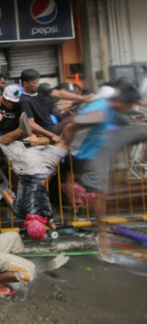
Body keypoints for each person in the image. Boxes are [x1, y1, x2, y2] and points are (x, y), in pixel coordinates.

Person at [62, 83, 141, 258]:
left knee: (103, 193)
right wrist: (68, 148)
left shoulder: (113, 108)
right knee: (101, 193)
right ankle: (101, 233)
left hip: (97, 151)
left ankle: (101, 230)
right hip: (84, 154)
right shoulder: (100, 112)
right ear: (123, 102)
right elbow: (71, 126)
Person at [20, 69, 90, 143]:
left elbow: (59, 94)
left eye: (38, 82)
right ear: (25, 83)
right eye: (34, 83)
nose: (37, 84)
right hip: (43, 132)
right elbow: (31, 124)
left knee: (77, 119)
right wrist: (52, 135)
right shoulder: (24, 100)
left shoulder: (40, 88)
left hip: (52, 127)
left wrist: (83, 98)